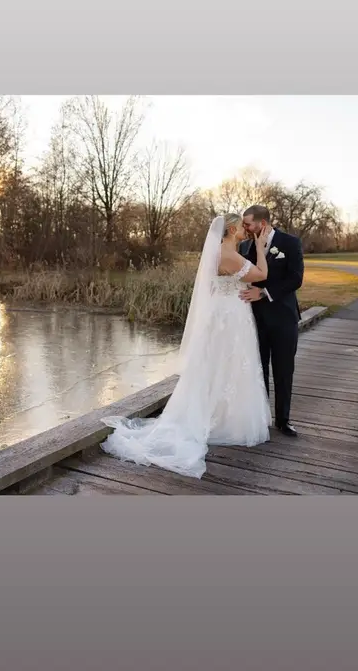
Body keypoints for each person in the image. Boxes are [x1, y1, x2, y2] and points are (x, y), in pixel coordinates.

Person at [100, 213, 272, 479]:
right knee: (229, 364)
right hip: (230, 317)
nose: (245, 231)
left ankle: (220, 413)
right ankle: (223, 420)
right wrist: (260, 247)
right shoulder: (228, 255)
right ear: (231, 229)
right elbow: (261, 274)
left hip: (223, 314)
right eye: (241, 227)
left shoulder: (218, 252)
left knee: (220, 365)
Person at [238, 205, 304, 437]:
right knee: (259, 370)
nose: (245, 228)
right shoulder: (245, 246)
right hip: (255, 319)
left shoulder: (290, 243)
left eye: (248, 224)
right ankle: (262, 418)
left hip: (284, 318)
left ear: (262, 223)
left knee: (284, 370)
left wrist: (264, 293)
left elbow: (296, 279)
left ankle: (283, 420)